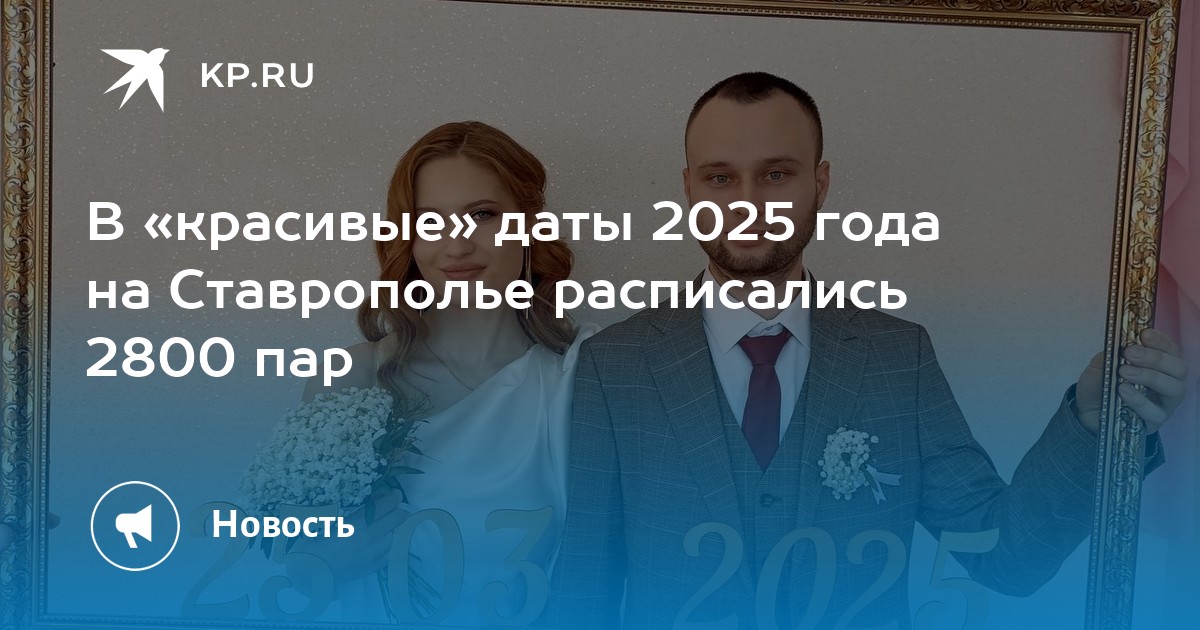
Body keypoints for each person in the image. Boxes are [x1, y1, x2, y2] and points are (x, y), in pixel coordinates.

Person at [546, 72, 1189, 629]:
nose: (746, 203)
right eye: (720, 177)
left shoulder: (898, 358)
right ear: (689, 188)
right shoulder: (615, 366)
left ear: (820, 184)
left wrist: (1090, 427)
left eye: (776, 174)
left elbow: (1006, 556)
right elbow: (582, 591)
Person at [295, 121, 596, 625]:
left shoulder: (585, 370)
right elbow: (291, 565)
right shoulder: (351, 378)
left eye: (482, 215)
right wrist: (315, 565)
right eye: (429, 222)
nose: (456, 246)